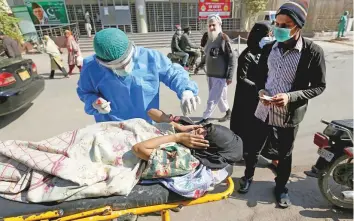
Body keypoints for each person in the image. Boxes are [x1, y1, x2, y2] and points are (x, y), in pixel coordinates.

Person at [238, 0, 326, 208]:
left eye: (285, 26)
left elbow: (319, 86)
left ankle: (280, 187)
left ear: (298, 26)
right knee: (253, 146)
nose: (279, 29)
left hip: (288, 111)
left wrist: (290, 97)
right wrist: (260, 91)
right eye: (277, 24)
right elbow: (260, 76)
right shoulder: (269, 48)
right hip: (264, 106)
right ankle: (248, 176)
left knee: (284, 153)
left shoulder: (313, 52)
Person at [77, 28, 201, 123]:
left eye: (126, 62)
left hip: (145, 124)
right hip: (111, 127)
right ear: (101, 63)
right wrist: (94, 102)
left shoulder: (150, 57)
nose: (124, 68)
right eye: (116, 66)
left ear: (132, 50)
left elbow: (172, 72)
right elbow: (85, 92)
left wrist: (186, 89)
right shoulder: (91, 68)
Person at [230, 21, 272, 162]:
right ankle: (240, 152)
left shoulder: (263, 53)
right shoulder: (246, 55)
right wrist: (258, 88)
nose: (268, 37)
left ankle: (252, 150)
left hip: (257, 98)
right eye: (266, 35)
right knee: (243, 125)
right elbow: (242, 78)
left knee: (255, 126)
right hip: (245, 98)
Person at [198, 14, 236, 124]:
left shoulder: (223, 38)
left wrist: (229, 76)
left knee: (212, 98)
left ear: (219, 25)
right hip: (210, 74)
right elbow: (207, 55)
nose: (211, 28)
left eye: (213, 25)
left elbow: (232, 58)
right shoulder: (209, 38)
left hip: (220, 76)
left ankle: (205, 118)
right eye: (209, 25)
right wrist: (200, 64)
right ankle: (228, 112)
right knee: (220, 97)